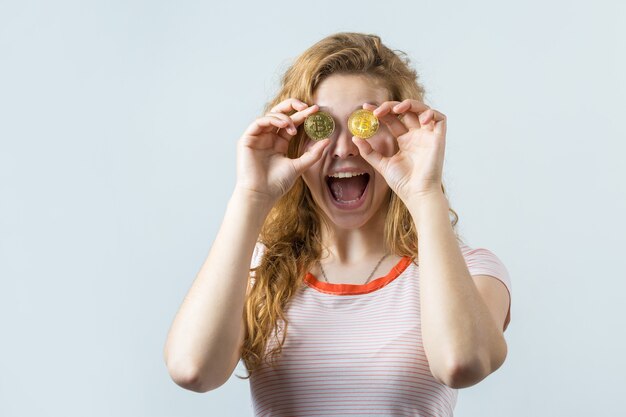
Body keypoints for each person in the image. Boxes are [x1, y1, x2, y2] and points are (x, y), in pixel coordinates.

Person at [164, 32, 512, 417]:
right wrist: (251, 195)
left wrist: (425, 192)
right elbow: (192, 369)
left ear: (401, 133)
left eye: (364, 124)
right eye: (323, 126)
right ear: (295, 138)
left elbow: (462, 363)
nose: (344, 148)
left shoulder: (469, 270)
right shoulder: (257, 268)